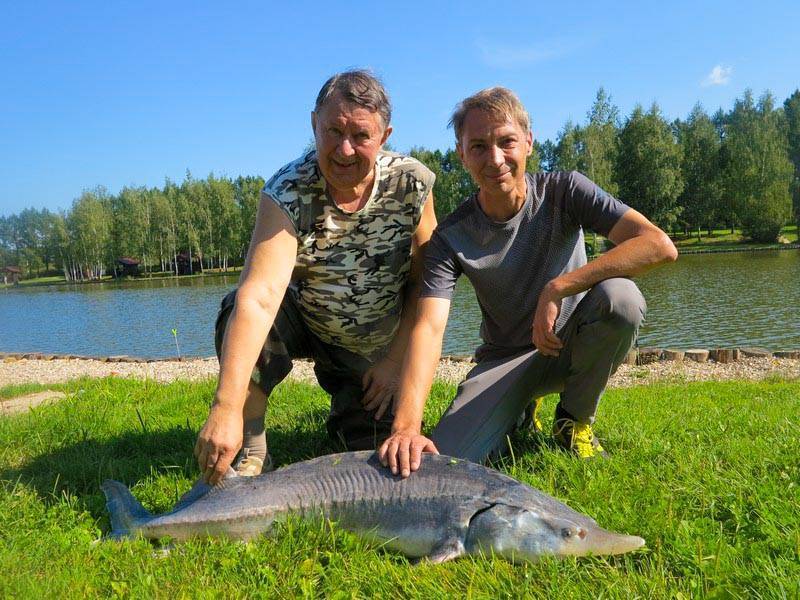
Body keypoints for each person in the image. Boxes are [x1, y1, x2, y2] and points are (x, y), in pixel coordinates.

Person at [378, 87, 677, 477]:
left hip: (568, 344)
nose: (495, 158)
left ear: (529, 142)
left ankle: (574, 420)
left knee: (620, 298)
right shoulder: (450, 237)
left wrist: (560, 287)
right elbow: (429, 327)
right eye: (479, 146)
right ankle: (520, 408)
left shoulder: (566, 190)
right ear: (461, 154)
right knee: (446, 461)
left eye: (507, 142)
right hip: (503, 362)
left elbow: (658, 245)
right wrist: (406, 428)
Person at [195, 70, 436, 485]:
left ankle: (350, 410)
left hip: (373, 349)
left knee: (374, 459)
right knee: (238, 307)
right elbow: (261, 296)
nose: (344, 149)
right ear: (314, 124)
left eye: (361, 136)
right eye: (332, 131)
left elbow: (428, 283)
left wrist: (396, 361)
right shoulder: (286, 191)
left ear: (385, 135)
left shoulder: (412, 183)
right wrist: (225, 407)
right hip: (306, 319)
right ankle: (252, 443)